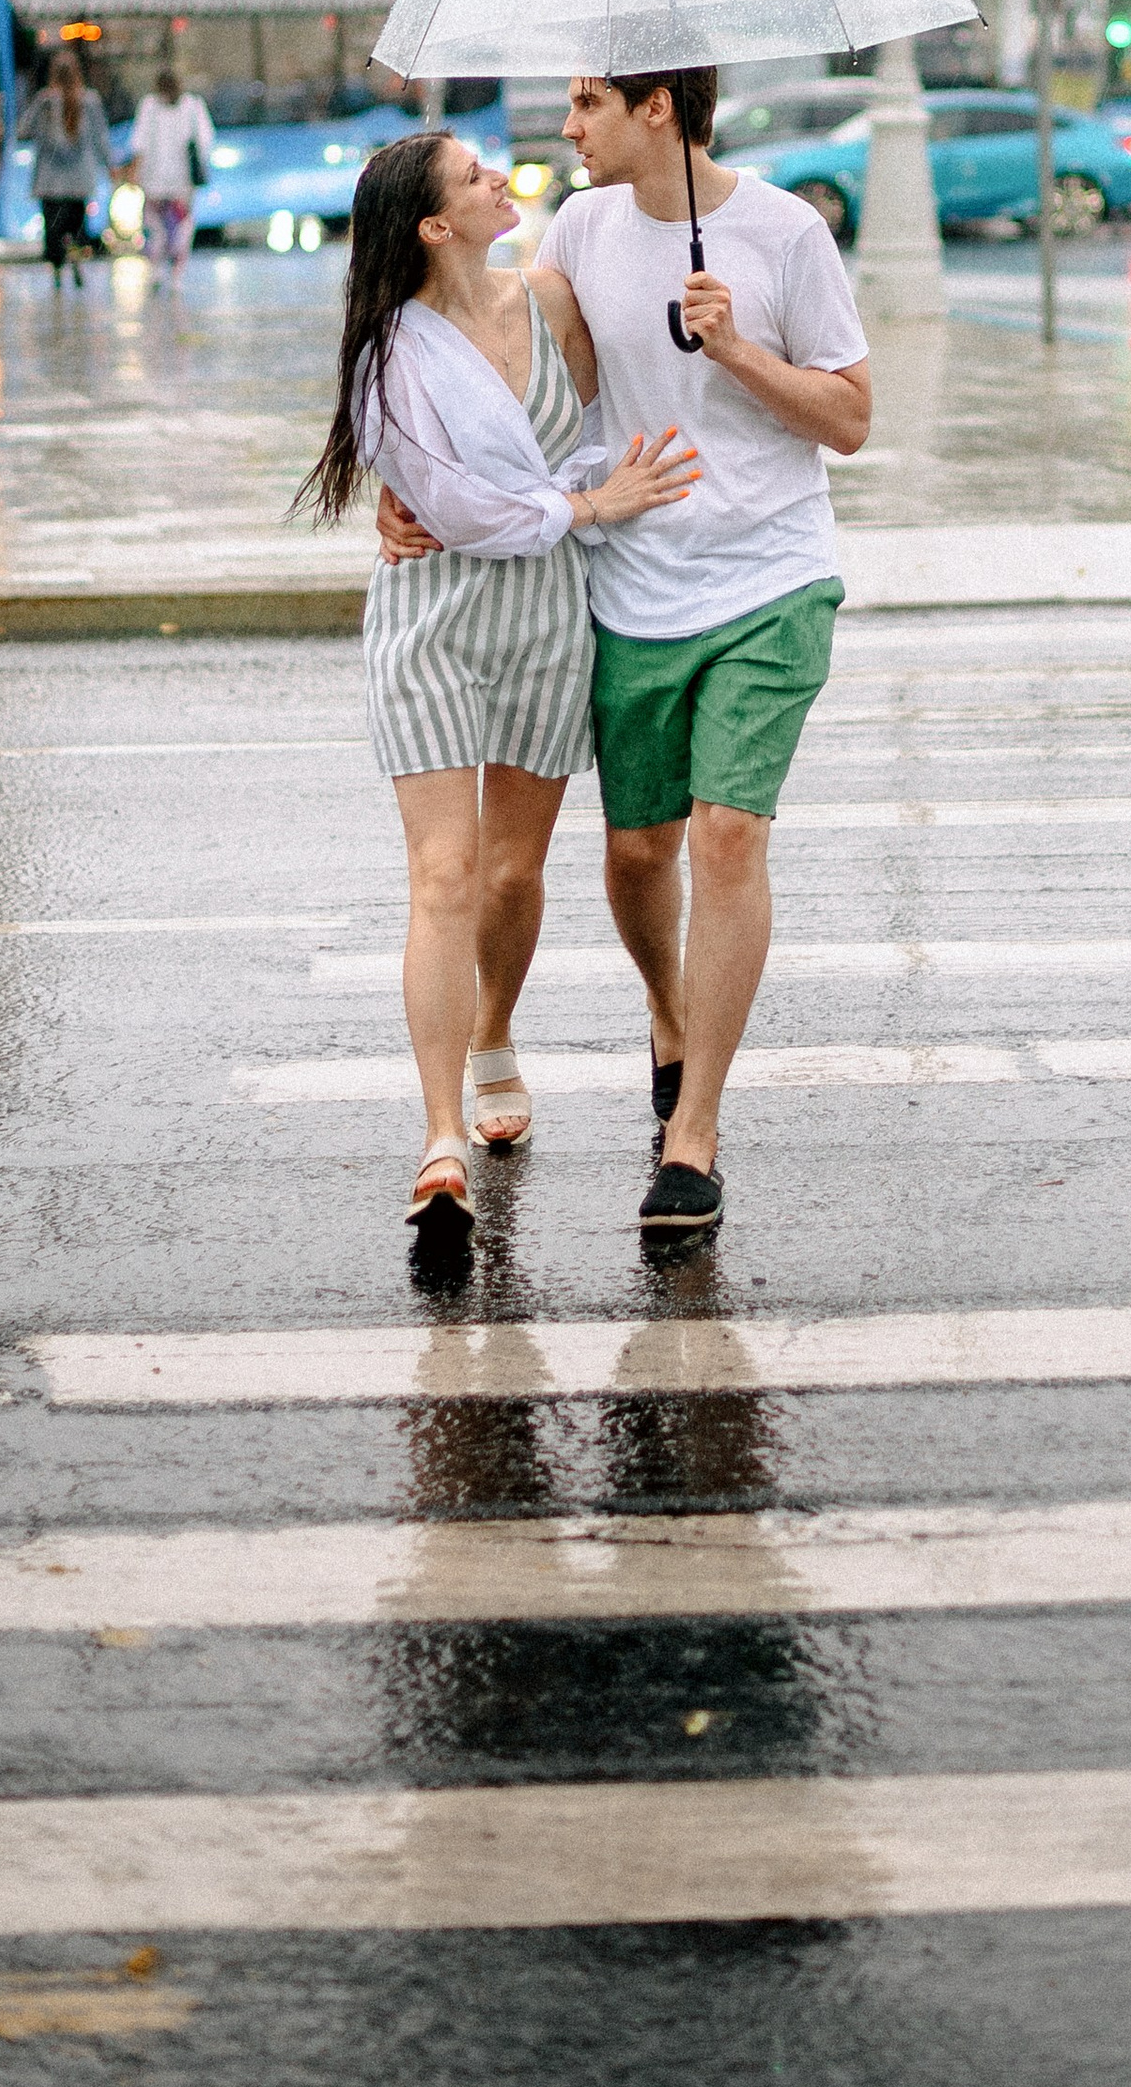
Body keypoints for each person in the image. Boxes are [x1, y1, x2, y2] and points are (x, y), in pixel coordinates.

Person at [378, 62, 869, 1241]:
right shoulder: (582, 232)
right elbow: (509, 377)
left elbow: (851, 418)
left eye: (589, 102)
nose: (567, 126)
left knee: (726, 834)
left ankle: (692, 1134)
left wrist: (737, 350)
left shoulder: (786, 232)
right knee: (639, 852)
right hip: (633, 587)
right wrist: (410, 494)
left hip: (770, 574)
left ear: (657, 106)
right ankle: (669, 1010)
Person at [303, 128, 700, 1252]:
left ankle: (493, 1032)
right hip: (431, 623)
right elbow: (463, 509)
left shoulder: (551, 300)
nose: (497, 178)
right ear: (435, 226)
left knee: (514, 871)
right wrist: (585, 507)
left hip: (545, 621)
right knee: (444, 872)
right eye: (473, 177)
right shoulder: (387, 352)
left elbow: (601, 429)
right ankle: (440, 1139)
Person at [16, 49, 112, 283]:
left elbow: (23, 130)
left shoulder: (44, 101)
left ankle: (57, 265)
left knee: (53, 226)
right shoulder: (90, 101)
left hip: (49, 180)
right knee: (76, 224)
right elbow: (101, 138)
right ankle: (75, 252)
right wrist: (111, 165)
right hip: (78, 180)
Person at [130, 56, 213, 279]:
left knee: (155, 225)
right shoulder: (193, 106)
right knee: (183, 224)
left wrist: (135, 172)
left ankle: (156, 265)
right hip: (183, 182)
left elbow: (139, 143)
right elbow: (205, 141)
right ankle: (177, 269)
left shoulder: (149, 106)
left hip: (153, 180)